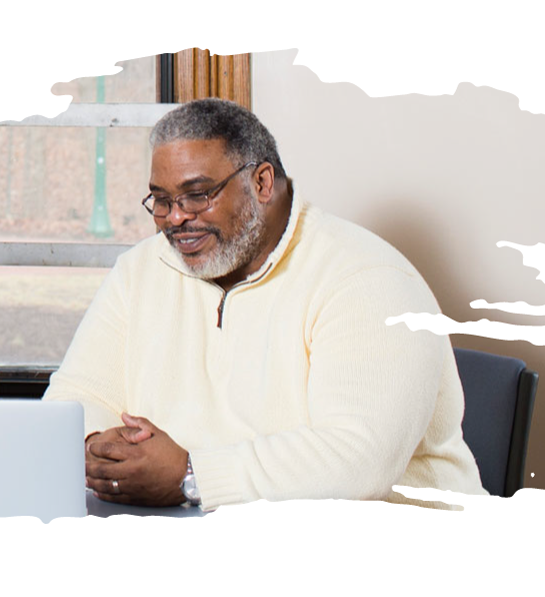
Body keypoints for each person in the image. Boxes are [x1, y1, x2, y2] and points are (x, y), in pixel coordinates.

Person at [45, 98, 485, 511]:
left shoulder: (367, 279)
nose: (175, 218)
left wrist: (189, 475)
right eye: (161, 200)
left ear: (262, 182)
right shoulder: (140, 271)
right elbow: (73, 401)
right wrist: (99, 452)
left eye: (197, 195)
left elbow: (357, 461)